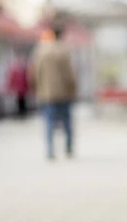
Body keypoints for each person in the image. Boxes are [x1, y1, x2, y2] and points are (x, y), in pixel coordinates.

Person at [31, 24, 77, 160]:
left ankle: (50, 150)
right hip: (64, 93)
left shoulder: (41, 50)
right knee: (67, 121)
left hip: (47, 93)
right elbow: (70, 74)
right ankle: (68, 146)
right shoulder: (65, 50)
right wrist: (73, 88)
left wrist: (36, 87)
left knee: (49, 122)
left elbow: (35, 72)